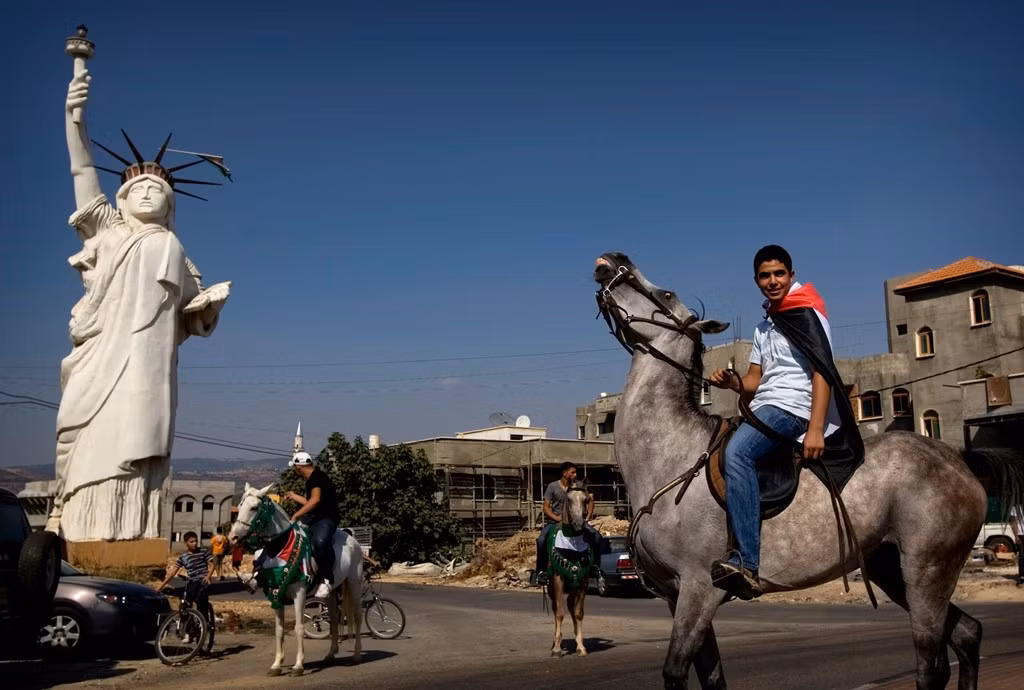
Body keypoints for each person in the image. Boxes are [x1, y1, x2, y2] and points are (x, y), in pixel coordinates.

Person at [49, 63, 229, 541]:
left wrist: (209, 305)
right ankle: (78, 528)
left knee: (136, 442)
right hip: (100, 353)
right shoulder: (107, 231)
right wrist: (74, 117)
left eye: (158, 191)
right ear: (123, 200)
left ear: (170, 206)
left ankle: (130, 535)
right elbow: (82, 171)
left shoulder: (174, 250)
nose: (148, 194)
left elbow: (190, 316)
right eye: (138, 190)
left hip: (148, 367)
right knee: (85, 433)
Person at [708, 244, 863, 599]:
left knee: (737, 453)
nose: (773, 281)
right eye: (765, 276)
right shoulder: (764, 327)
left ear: (792, 275)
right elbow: (754, 380)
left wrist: (815, 428)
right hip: (765, 405)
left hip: (792, 408)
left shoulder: (807, 313)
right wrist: (732, 382)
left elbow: (822, 372)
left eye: (779, 274)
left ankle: (747, 562)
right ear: (756, 281)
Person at [285, 452, 340, 598]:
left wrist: (296, 515)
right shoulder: (312, 479)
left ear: (298, 467)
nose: (295, 470)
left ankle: (327, 579)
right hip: (315, 518)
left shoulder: (316, 477)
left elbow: (315, 501)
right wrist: (294, 496)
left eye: (295, 468)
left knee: (319, 542)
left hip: (326, 518)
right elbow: (311, 501)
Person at [534, 461, 597, 586]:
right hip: (555, 522)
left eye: (576, 472)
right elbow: (546, 507)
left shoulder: (579, 487)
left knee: (597, 537)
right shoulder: (553, 486)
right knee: (541, 540)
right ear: (564, 473)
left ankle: (595, 567)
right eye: (572, 472)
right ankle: (541, 571)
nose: (575, 475)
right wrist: (556, 517)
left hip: (577, 521)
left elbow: (590, 502)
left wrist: (587, 517)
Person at [156, 532, 215, 634]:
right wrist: (161, 586)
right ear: (186, 543)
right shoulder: (183, 557)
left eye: (196, 541)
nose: (194, 543)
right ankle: (189, 629)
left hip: (202, 580)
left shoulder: (203, 551)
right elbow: (173, 572)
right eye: (191, 542)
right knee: (184, 605)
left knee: (201, 601)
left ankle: (205, 622)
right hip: (191, 582)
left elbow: (212, 565)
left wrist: (208, 576)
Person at [1010, 504, 1024, 586]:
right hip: (1021, 534)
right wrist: (1015, 536)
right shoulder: (1015, 508)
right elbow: (1013, 521)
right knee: (1022, 556)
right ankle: (1022, 576)